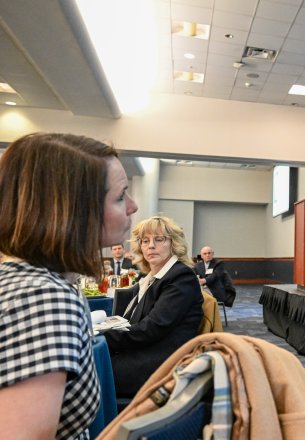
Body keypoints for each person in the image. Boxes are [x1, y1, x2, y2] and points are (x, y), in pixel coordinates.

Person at [0, 132, 138, 439]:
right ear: (75, 211)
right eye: (119, 196)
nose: (133, 206)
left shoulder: (26, 280)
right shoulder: (44, 298)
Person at [104, 215, 204, 398]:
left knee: (91, 369)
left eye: (159, 239)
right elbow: (134, 322)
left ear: (174, 244)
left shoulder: (181, 277)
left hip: (160, 363)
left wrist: (104, 338)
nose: (151, 246)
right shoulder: (150, 278)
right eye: (145, 241)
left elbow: (150, 329)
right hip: (145, 351)